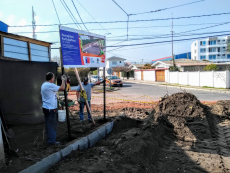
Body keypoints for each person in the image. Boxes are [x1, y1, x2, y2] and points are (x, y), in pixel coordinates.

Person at [41, 72, 66, 145]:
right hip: (50, 108)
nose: (54, 79)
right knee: (52, 125)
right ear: (52, 79)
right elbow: (62, 88)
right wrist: (63, 80)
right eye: (53, 78)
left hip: (47, 107)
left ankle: (50, 139)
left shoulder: (44, 84)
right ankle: (51, 141)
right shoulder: (50, 85)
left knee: (49, 124)